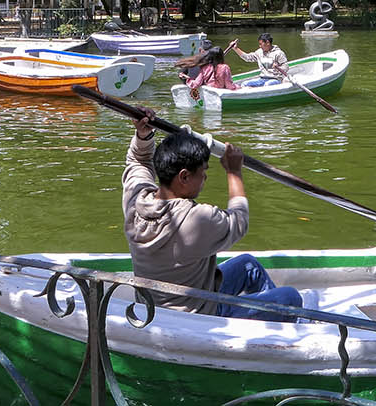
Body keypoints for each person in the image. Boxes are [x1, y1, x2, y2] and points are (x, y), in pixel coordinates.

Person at [123, 108, 301, 321]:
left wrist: (143, 135)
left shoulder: (136, 200)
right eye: (203, 173)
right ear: (184, 177)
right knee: (290, 298)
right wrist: (234, 172)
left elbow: (138, 162)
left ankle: (266, 321)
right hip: (195, 316)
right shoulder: (197, 219)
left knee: (248, 264)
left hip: (155, 305)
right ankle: (292, 324)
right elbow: (239, 221)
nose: (205, 179)